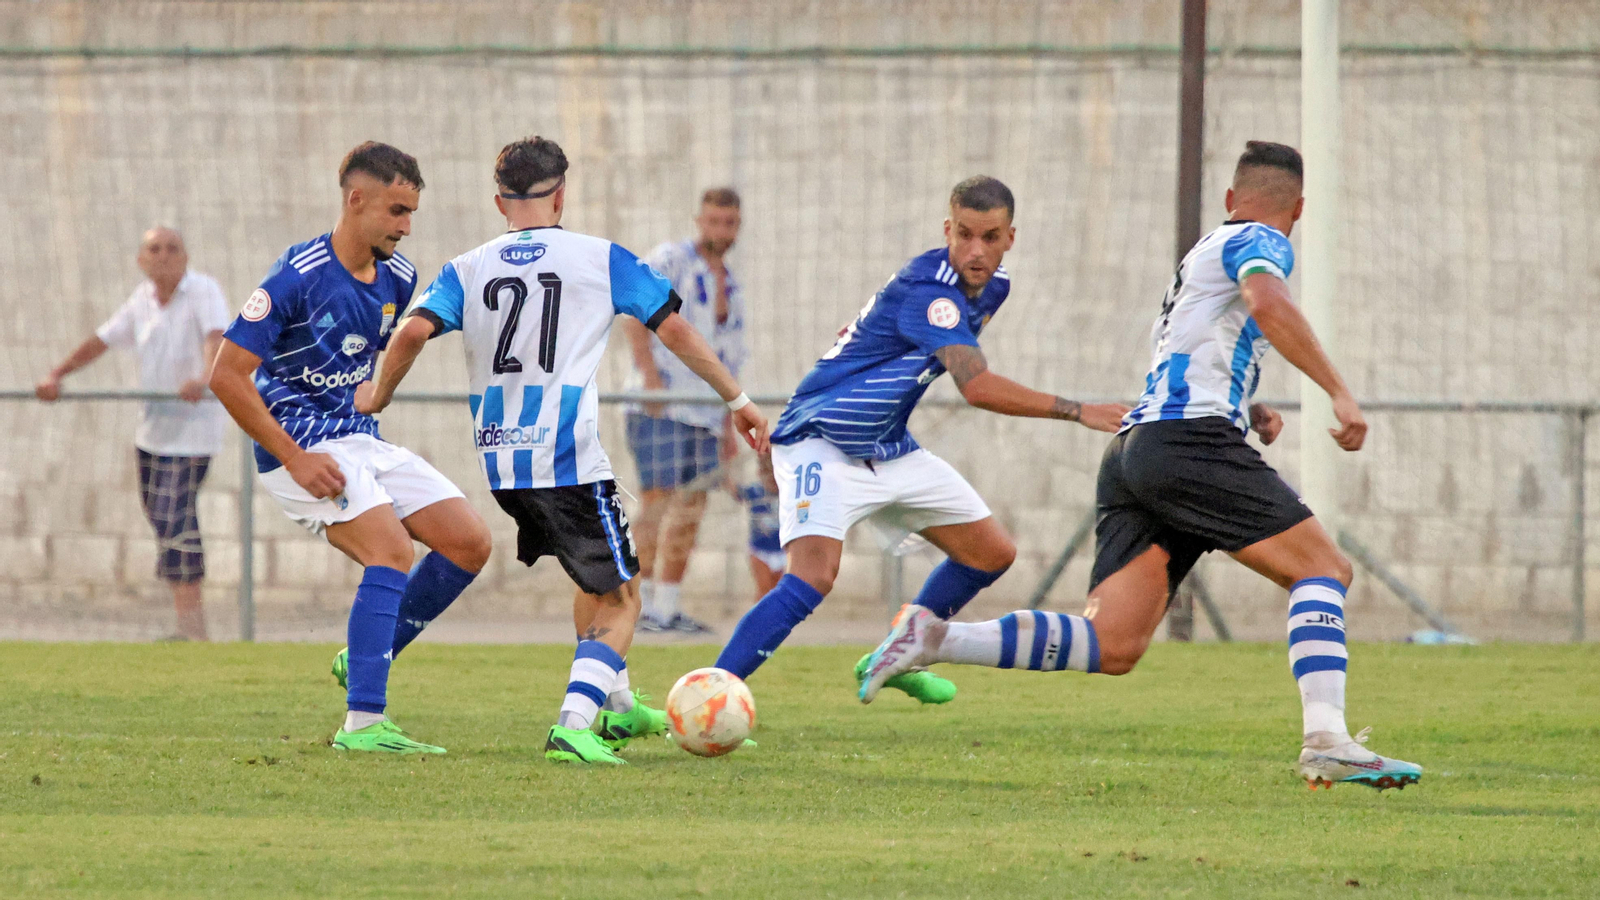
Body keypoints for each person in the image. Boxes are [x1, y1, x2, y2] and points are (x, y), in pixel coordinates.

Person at [860, 142, 1423, 792]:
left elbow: (1195, 345)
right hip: (1189, 445)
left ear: (1229, 198)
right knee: (1324, 567)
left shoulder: (1203, 251)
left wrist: (1249, 405)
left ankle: (932, 638)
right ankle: (1327, 740)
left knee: (1114, 645)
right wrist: (1338, 390)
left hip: (1139, 449)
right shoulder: (1259, 240)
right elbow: (1268, 304)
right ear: (1297, 208)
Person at [357, 136, 769, 766]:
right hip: (567, 456)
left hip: (502, 460)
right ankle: (573, 725)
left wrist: (378, 394)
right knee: (622, 598)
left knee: (593, 577)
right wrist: (738, 402)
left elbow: (413, 331)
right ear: (562, 193)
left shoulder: (467, 266)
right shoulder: (599, 257)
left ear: (500, 202)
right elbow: (675, 331)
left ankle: (622, 710)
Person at [711, 176, 1127, 707]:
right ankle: (711, 696)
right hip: (822, 439)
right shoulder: (930, 293)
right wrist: (1079, 410)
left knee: (989, 553)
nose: (976, 251)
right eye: (965, 235)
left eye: (991, 237)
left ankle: (900, 649)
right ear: (947, 230)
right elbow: (975, 386)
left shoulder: (993, 287)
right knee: (813, 578)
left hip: (887, 446)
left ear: (1010, 238)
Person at [209, 142, 492, 755]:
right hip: (300, 448)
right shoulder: (297, 276)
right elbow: (226, 375)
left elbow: (362, 358)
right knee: (389, 550)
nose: (405, 226)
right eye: (396, 210)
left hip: (358, 439)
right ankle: (363, 725)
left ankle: (369, 650)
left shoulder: (400, 276)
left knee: (470, 542)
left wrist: (375, 392)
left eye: (411, 213)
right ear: (355, 199)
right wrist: (294, 457)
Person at [36, 227, 230, 641]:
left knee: (177, 519)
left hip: (192, 435)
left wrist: (204, 378)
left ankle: (194, 631)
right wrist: (57, 373)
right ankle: (188, 627)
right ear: (141, 259)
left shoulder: (203, 291)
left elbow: (217, 338)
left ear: (186, 255)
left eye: (173, 248)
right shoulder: (141, 300)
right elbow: (101, 340)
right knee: (162, 519)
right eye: (154, 249)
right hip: (152, 435)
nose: (163, 256)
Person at [622, 187, 749, 633]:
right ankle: (629, 609)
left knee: (692, 509)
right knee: (656, 504)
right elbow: (633, 314)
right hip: (661, 404)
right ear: (699, 220)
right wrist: (652, 379)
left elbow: (729, 359)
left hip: (706, 413)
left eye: (729, 222)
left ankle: (665, 609)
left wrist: (731, 424)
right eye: (713, 220)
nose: (721, 230)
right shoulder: (670, 259)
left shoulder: (731, 283)